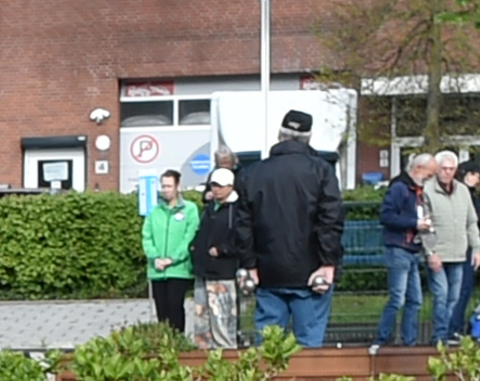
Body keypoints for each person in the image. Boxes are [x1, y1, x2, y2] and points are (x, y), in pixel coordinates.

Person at [235, 109, 343, 349]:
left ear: (279, 135)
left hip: (267, 271)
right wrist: (328, 262)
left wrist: (249, 264)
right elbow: (331, 220)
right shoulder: (322, 171)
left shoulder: (251, 173)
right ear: (309, 137)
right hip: (311, 270)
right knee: (309, 346)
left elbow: (243, 225)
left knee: (268, 348)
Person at [190, 165, 254, 347]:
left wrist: (223, 250)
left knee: (222, 321)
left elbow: (243, 239)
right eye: (213, 185)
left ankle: (227, 356)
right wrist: (194, 247)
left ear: (230, 187)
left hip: (223, 274)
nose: (215, 189)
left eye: (220, 185)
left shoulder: (238, 209)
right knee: (201, 319)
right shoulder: (210, 207)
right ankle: (203, 356)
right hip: (203, 270)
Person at [427, 152, 480, 345]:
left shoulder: (462, 191)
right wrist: (430, 252)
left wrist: (476, 248)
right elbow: (425, 225)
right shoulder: (428, 190)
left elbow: (471, 222)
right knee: (441, 295)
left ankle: (448, 333)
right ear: (437, 169)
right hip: (438, 253)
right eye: (444, 169)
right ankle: (440, 335)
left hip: (459, 253)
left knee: (454, 297)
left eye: (451, 169)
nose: (447, 173)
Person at [374, 156, 433, 347]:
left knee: (414, 300)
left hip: (411, 249)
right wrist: (415, 223)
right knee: (399, 298)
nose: (430, 179)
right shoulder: (400, 188)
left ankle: (409, 342)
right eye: (429, 174)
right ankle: (383, 339)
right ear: (418, 169)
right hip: (399, 248)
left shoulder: (416, 190)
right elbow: (386, 215)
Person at [141, 169, 199, 335]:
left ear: (177, 186)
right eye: (163, 186)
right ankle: (164, 342)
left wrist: (172, 259)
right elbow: (147, 236)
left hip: (178, 269)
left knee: (175, 306)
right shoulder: (154, 211)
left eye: (169, 186)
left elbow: (190, 237)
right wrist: (155, 257)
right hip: (157, 269)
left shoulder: (190, 209)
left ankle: (178, 339)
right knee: (162, 309)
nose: (165, 190)